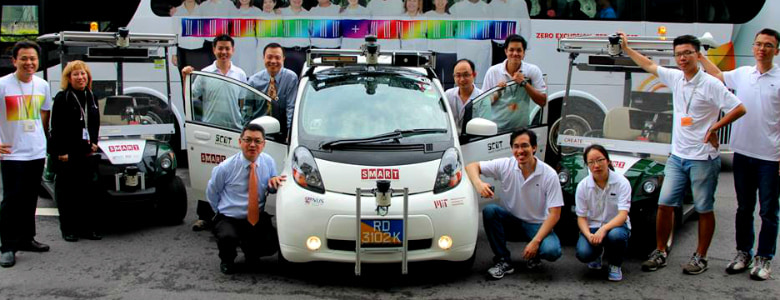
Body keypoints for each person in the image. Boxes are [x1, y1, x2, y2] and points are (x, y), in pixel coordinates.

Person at [619, 32, 746, 275]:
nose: (682, 58)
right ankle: (659, 252)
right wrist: (626, 48)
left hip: (703, 159)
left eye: (688, 53)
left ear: (698, 55)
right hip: (677, 157)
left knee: (703, 208)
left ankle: (701, 257)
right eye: (678, 54)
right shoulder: (676, 78)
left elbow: (739, 108)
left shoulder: (711, 83)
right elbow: (648, 64)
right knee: (665, 204)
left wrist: (715, 127)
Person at [700, 28, 780, 281]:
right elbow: (717, 75)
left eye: (768, 45)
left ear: (777, 50)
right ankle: (743, 253)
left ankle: (764, 258)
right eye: (758, 44)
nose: (761, 49)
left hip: (771, 157)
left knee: (768, 211)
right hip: (742, 153)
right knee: (744, 208)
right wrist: (701, 53)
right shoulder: (744, 74)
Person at [465, 128, 563, 280]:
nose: (520, 150)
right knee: (490, 211)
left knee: (552, 251)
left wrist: (535, 242)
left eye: (525, 146)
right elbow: (471, 166)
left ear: (534, 147)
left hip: (536, 225)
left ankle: (535, 253)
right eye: (516, 146)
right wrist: (479, 184)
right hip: (511, 222)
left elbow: (555, 214)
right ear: (511, 149)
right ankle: (503, 261)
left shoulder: (549, 174)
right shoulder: (506, 165)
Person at [182, 34, 248, 232]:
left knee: (232, 176)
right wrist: (186, 76)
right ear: (214, 50)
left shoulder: (240, 74)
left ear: (233, 50)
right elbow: (192, 96)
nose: (224, 52)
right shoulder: (205, 74)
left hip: (234, 132)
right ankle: (204, 217)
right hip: (210, 132)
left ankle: (230, 216)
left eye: (227, 48)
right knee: (209, 174)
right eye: (220, 48)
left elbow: (243, 103)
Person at [0, 41, 53, 268]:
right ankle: (8, 246)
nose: (29, 63)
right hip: (12, 153)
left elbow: (44, 113)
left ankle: (26, 238)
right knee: (12, 200)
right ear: (14, 61)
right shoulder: (3, 84)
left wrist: (39, 140)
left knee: (30, 198)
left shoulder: (42, 85)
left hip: (36, 152)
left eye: (33, 59)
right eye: (24, 58)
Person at [207, 123, 286, 274]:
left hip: (255, 217)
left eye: (257, 141)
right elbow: (212, 192)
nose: (252, 145)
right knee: (227, 236)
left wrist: (273, 185)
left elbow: (269, 187)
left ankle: (251, 252)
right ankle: (227, 259)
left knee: (272, 243)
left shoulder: (268, 161)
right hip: (230, 217)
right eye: (248, 140)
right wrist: (219, 213)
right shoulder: (226, 167)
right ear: (240, 142)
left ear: (264, 144)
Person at [48, 60, 102, 242]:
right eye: (76, 74)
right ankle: (68, 229)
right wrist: (60, 152)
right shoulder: (63, 98)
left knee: (86, 193)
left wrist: (94, 141)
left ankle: (87, 228)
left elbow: (95, 122)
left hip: (86, 152)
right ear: (68, 78)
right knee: (67, 194)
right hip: (68, 154)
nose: (80, 77)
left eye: (83, 73)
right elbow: (55, 127)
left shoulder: (91, 96)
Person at [574, 144, 631, 281]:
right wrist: (588, 235)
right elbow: (581, 217)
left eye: (600, 160)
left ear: (608, 161)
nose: (596, 165)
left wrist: (604, 229)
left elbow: (623, 215)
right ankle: (596, 253)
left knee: (616, 236)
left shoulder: (622, 183)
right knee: (583, 253)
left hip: (615, 226)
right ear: (587, 165)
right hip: (592, 227)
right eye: (591, 162)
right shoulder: (583, 186)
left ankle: (615, 264)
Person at [482, 34, 547, 107]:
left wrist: (524, 83)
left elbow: (542, 102)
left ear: (524, 53)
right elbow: (483, 104)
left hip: (522, 119)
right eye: (511, 50)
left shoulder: (533, 70)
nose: (515, 53)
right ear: (506, 51)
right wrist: (497, 93)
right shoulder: (493, 72)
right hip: (495, 119)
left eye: (519, 50)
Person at [248, 43, 299, 132]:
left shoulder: (291, 78)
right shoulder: (253, 81)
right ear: (263, 58)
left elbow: (291, 108)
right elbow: (247, 109)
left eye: (277, 57)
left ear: (283, 59)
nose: (273, 61)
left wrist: (290, 133)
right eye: (269, 57)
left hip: (281, 131)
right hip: (257, 130)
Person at [445, 59, 482, 131]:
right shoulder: (448, 95)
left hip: (474, 139)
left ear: (474, 75)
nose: (462, 79)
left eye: (466, 75)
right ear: (454, 77)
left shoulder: (482, 97)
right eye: (458, 75)